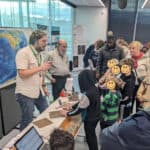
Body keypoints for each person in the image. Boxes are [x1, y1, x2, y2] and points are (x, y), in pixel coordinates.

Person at [15, 30, 52, 130]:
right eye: (43, 41)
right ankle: (23, 143)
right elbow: (22, 74)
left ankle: (43, 135)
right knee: (27, 120)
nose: (46, 44)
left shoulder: (40, 54)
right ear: (35, 41)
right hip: (25, 93)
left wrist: (44, 87)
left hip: (38, 90)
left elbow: (41, 74)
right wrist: (41, 68)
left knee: (46, 111)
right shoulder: (23, 53)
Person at [61, 70, 101, 150]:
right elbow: (82, 103)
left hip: (89, 119)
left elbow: (80, 109)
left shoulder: (87, 94)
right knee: (92, 134)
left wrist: (67, 113)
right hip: (96, 116)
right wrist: (72, 107)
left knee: (90, 137)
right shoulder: (94, 88)